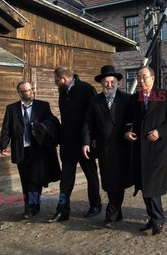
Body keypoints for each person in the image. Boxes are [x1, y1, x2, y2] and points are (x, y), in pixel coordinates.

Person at [124, 66, 167, 236]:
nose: (141, 81)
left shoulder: (165, 95)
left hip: (157, 148)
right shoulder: (135, 98)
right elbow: (127, 120)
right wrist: (127, 132)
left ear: (153, 78)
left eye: (144, 77)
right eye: (138, 77)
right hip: (140, 148)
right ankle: (152, 217)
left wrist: (159, 132)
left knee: (153, 184)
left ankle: (158, 219)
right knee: (143, 184)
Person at [0, 81, 61, 219]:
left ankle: (31, 208)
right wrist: (4, 145)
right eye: (27, 90)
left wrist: (41, 129)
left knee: (35, 179)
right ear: (20, 93)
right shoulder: (12, 109)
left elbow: (51, 122)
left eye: (31, 89)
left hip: (38, 150)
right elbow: (6, 128)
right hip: (21, 149)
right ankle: (31, 206)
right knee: (25, 180)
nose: (31, 92)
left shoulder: (43, 106)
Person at [82, 65, 133, 228]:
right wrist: (87, 141)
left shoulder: (126, 99)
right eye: (106, 82)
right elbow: (88, 123)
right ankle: (117, 212)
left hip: (122, 147)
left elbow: (132, 121)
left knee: (118, 181)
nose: (109, 84)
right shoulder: (95, 100)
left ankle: (111, 215)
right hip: (104, 149)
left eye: (112, 81)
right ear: (101, 84)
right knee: (109, 182)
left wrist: (128, 131)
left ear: (117, 82)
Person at [49, 67, 101, 223]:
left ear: (63, 79)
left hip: (84, 143)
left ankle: (95, 205)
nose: (55, 83)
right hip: (68, 144)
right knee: (66, 179)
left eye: (56, 80)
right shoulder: (63, 91)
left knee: (91, 176)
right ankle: (62, 210)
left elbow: (95, 115)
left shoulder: (85, 89)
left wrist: (93, 138)